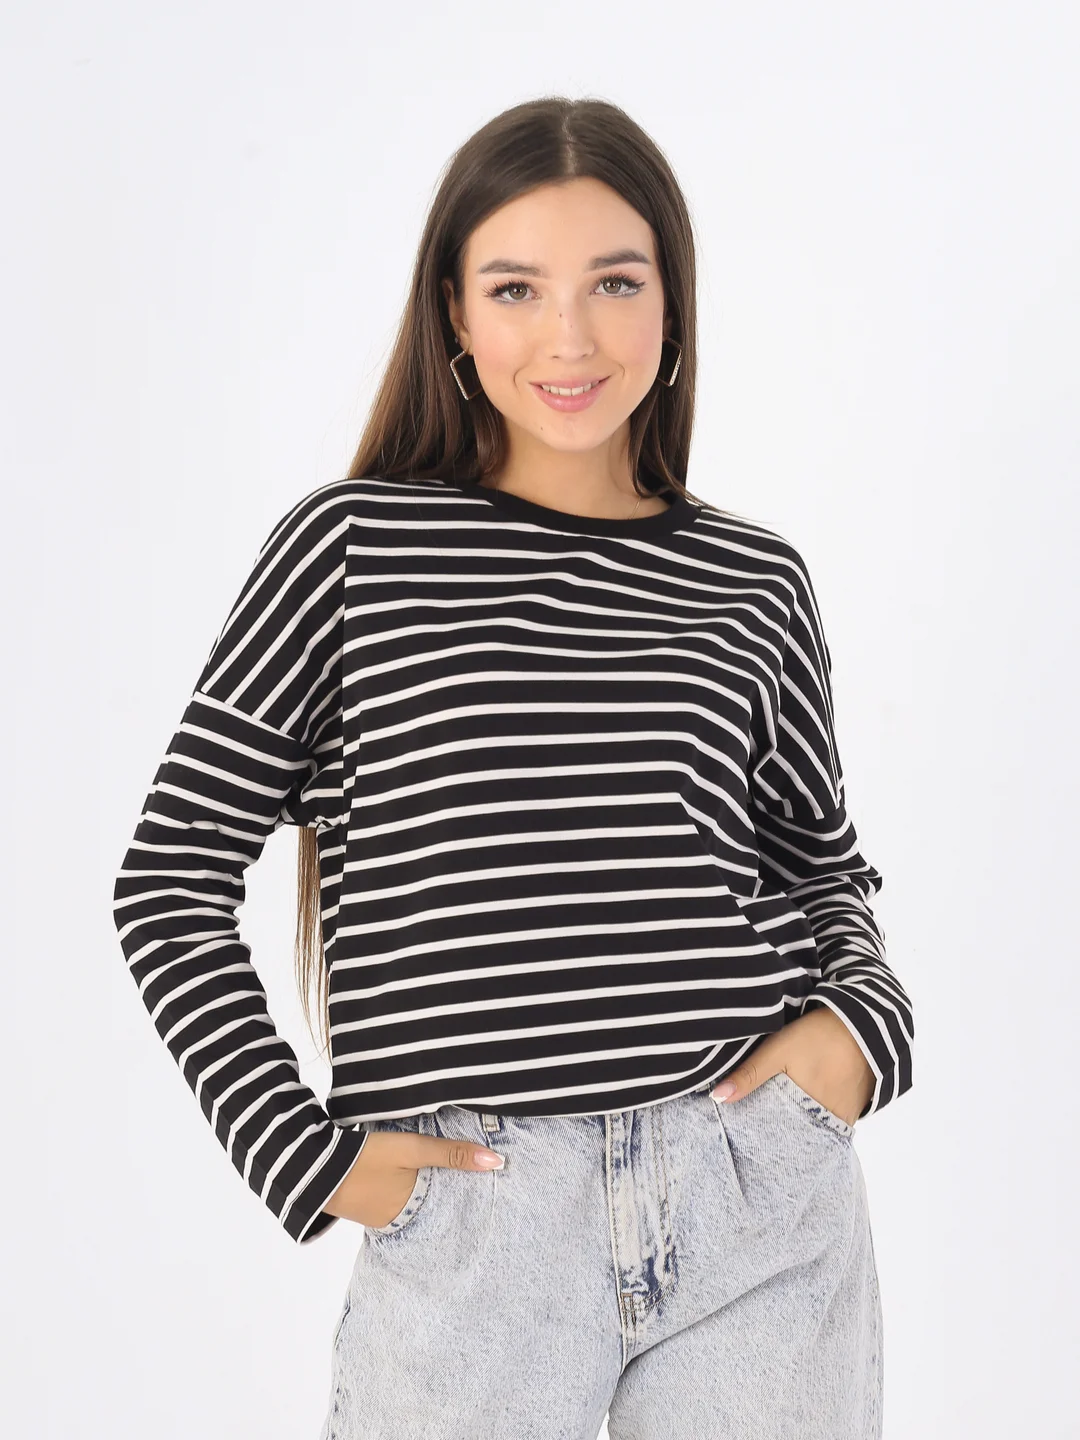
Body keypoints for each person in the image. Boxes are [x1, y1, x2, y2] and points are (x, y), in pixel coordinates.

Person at [112, 95, 914, 1439]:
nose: (571, 337)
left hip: (754, 1195)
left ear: (673, 302)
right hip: (478, 1222)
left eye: (616, 282)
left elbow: (816, 869)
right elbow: (168, 882)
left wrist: (862, 1032)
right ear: (455, 312)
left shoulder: (753, 579)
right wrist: (306, 1157)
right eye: (516, 288)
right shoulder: (352, 551)